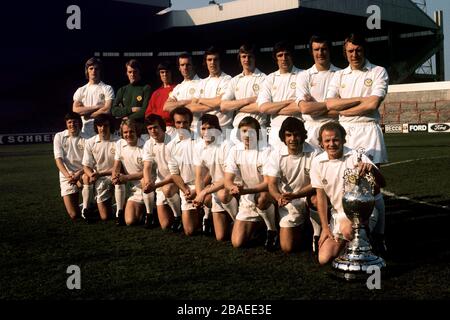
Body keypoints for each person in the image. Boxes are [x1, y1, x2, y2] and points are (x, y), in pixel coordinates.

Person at [325, 33, 389, 253]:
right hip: (347, 133)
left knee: (373, 186)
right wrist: (359, 101)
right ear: (345, 52)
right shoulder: (339, 76)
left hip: (369, 130)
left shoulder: (378, 71)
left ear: (364, 50)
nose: (354, 54)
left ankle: (378, 236)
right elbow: (330, 105)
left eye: (358, 50)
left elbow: (373, 104)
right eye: (350, 51)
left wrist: (345, 108)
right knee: (350, 183)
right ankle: (354, 232)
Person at [310, 121, 385, 265]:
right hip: (338, 214)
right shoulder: (317, 162)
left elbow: (382, 184)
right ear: (321, 143)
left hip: (362, 213)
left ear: (344, 140)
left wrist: (373, 169)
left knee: (348, 231)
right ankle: (356, 243)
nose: (332, 144)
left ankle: (365, 241)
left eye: (335, 139)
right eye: (327, 140)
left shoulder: (356, 156)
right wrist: (325, 228)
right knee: (324, 258)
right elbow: (321, 197)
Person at [265, 117, 321, 253]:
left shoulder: (315, 153)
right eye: (288, 135)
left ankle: (317, 234)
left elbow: (317, 184)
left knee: (317, 198)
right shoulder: (276, 154)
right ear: (283, 137)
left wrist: (296, 194)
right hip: (288, 201)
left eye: (296, 134)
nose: (293, 139)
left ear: (302, 135)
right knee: (287, 247)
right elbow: (271, 183)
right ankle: (296, 227)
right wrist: (278, 197)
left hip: (307, 196)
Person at [224, 116, 277, 251]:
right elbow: (227, 181)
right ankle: (259, 226)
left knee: (263, 197)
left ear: (258, 133)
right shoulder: (235, 150)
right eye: (244, 131)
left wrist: (246, 191)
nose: (247, 135)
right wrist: (233, 188)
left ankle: (272, 230)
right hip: (247, 198)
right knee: (237, 242)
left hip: (268, 195)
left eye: (251, 132)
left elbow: (268, 183)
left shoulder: (267, 150)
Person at [192, 114, 237, 241]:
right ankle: (222, 217)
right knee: (221, 237)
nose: (206, 132)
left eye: (210, 128)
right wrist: (199, 197)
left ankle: (236, 219)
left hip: (233, 185)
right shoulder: (198, 146)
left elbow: (228, 179)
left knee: (222, 194)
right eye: (203, 128)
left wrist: (204, 192)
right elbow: (199, 177)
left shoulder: (226, 145)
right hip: (217, 187)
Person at [296, 35, 340, 148]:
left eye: (324, 49)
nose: (320, 53)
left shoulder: (341, 74)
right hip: (311, 131)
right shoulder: (304, 76)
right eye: (316, 49)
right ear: (312, 52)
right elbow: (305, 108)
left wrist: (314, 107)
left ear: (329, 50)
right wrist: (333, 105)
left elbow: (343, 111)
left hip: (335, 129)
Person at [258, 41, 303, 148]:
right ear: (276, 58)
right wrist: (290, 102)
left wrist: (274, 108)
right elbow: (263, 108)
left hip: (297, 131)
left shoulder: (303, 75)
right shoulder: (270, 78)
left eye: (287, 54)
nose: (284, 58)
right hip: (276, 130)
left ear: (291, 55)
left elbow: (304, 107)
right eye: (280, 55)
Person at [221, 43, 267, 144]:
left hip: (257, 129)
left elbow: (261, 107)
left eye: (250, 56)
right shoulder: (234, 80)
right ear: (240, 58)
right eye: (243, 56)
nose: (246, 60)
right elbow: (223, 106)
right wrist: (248, 100)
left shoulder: (264, 79)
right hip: (237, 129)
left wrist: (235, 105)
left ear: (255, 58)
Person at [142, 114, 182, 230]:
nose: (153, 131)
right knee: (164, 225)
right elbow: (147, 167)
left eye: (155, 127)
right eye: (150, 128)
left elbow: (175, 173)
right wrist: (148, 182)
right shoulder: (148, 144)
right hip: (160, 182)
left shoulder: (173, 142)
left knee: (167, 189)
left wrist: (155, 185)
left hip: (176, 180)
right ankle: (151, 213)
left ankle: (178, 216)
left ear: (162, 127)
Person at [112, 119, 153, 226]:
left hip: (150, 185)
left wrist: (126, 177)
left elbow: (146, 172)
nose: (128, 135)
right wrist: (115, 176)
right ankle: (119, 212)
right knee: (130, 221)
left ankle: (150, 215)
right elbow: (116, 165)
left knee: (145, 181)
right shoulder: (120, 144)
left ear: (137, 132)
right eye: (125, 132)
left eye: (131, 131)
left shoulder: (145, 145)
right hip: (133, 189)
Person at [167, 107, 200, 236]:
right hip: (186, 188)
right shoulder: (170, 146)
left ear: (190, 122)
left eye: (185, 122)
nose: (182, 125)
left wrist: (198, 190)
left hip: (203, 186)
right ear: (174, 124)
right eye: (178, 122)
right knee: (189, 231)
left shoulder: (201, 140)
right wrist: (185, 190)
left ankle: (207, 216)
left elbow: (209, 170)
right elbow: (174, 173)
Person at [81, 114, 119, 222]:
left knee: (119, 180)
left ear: (110, 126)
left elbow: (119, 167)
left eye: (106, 125)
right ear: (96, 127)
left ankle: (119, 210)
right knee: (105, 217)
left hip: (114, 176)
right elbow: (86, 165)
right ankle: (87, 208)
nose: (102, 128)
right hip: (99, 179)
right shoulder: (90, 142)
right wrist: (90, 174)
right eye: (100, 125)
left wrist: (100, 174)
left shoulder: (118, 141)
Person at [53, 112, 88, 221]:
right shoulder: (59, 137)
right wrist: (69, 176)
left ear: (80, 123)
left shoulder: (87, 138)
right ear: (66, 124)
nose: (72, 124)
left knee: (88, 179)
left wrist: (78, 175)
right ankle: (88, 205)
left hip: (83, 173)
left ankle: (89, 204)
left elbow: (89, 163)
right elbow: (58, 160)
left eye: (75, 122)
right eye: (69, 122)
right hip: (66, 175)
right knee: (73, 215)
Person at [189, 46, 233, 134]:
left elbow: (221, 102)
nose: (212, 62)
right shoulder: (202, 83)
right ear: (206, 62)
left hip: (223, 129)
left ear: (220, 61)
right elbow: (192, 107)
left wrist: (200, 100)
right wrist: (216, 105)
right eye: (209, 60)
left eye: (215, 59)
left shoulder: (228, 79)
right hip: (204, 130)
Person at [73, 57, 115, 137]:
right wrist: (98, 106)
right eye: (91, 68)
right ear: (87, 71)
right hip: (85, 133)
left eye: (96, 69)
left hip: (102, 131)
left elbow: (107, 110)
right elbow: (76, 110)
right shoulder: (81, 90)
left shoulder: (107, 88)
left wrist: (88, 115)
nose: (94, 71)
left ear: (100, 71)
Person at [163, 52, 202, 131]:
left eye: (188, 65)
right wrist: (184, 102)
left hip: (197, 129)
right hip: (181, 130)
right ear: (179, 68)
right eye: (182, 65)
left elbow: (201, 105)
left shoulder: (202, 83)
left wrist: (176, 104)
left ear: (193, 66)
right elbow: (166, 106)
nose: (185, 67)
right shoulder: (178, 87)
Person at [112, 59, 151, 124]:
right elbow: (114, 110)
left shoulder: (146, 88)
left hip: (140, 127)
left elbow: (145, 110)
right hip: (126, 129)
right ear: (126, 73)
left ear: (139, 72)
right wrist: (131, 109)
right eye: (130, 72)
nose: (132, 74)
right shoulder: (122, 90)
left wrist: (128, 118)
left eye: (135, 71)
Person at [145, 61, 177, 136]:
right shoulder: (156, 93)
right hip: (157, 129)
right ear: (159, 74)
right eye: (162, 72)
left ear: (171, 73)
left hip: (172, 128)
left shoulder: (177, 88)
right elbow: (148, 114)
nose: (165, 74)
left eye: (167, 72)